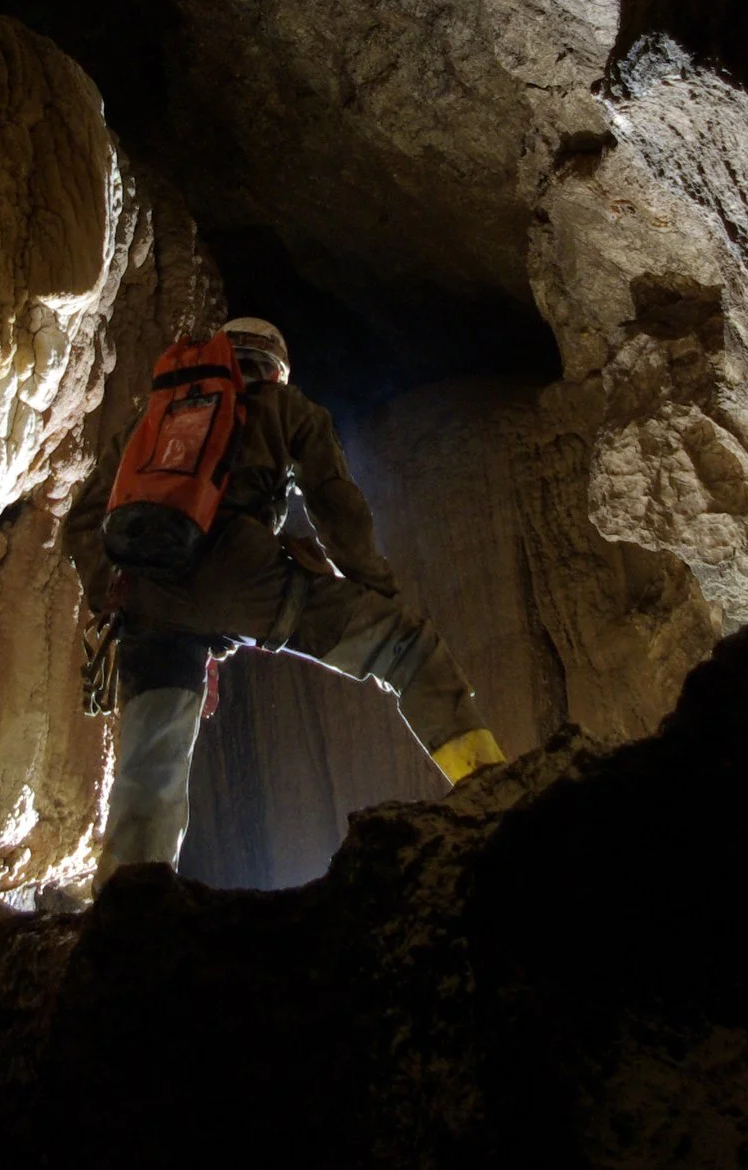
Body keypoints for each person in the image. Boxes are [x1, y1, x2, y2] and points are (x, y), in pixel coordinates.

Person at [67, 316, 505, 882]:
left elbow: (83, 520)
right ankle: (496, 794)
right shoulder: (284, 406)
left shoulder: (154, 418)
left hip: (149, 603)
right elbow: (336, 507)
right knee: (407, 651)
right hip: (250, 584)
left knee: (152, 764)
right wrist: (378, 593)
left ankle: (128, 904)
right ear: (275, 366)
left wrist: (117, 596)